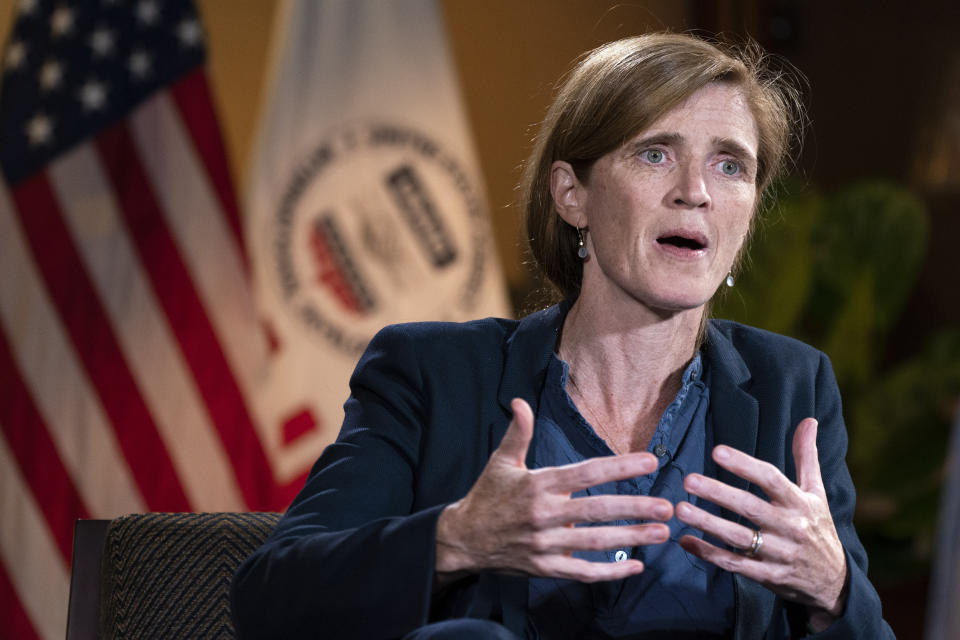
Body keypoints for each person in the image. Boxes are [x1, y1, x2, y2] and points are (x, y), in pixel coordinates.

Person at [231, 32, 894, 639]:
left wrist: (831, 588)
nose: (695, 191)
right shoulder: (434, 375)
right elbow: (272, 599)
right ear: (571, 193)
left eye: (730, 166)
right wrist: (458, 539)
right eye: (655, 153)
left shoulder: (791, 387)